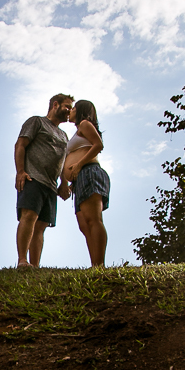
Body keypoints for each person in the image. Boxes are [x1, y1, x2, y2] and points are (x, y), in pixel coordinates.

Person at [14, 93, 73, 268]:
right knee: (29, 216)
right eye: (67, 107)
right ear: (56, 105)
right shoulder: (36, 122)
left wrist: (63, 183)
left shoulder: (64, 135)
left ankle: (35, 266)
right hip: (33, 177)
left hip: (50, 185)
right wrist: (20, 172)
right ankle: (22, 260)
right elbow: (20, 145)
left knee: (41, 226)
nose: (69, 111)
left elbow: (63, 162)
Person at [57, 100, 109, 267]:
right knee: (84, 225)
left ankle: (99, 265)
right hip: (80, 180)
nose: (70, 111)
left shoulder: (85, 124)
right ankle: (94, 263)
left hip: (90, 172)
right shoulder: (78, 131)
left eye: (73, 108)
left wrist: (79, 164)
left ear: (80, 111)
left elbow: (98, 145)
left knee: (93, 219)